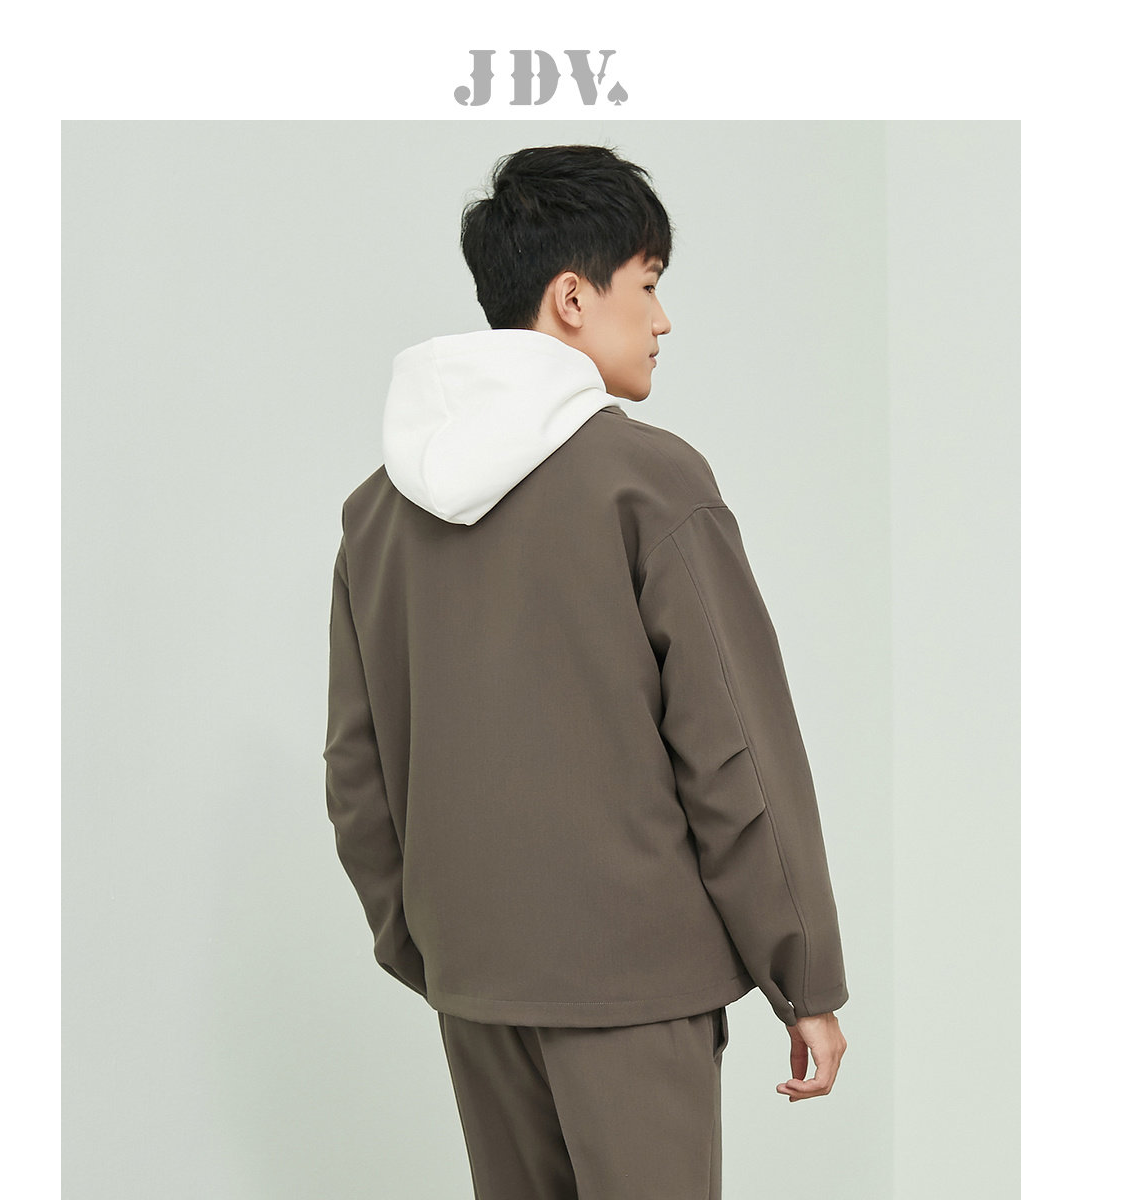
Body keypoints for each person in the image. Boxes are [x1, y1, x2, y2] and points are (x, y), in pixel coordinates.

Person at [324, 143, 849, 1199]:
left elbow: (357, 775)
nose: (664, 320)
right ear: (572, 297)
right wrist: (804, 977)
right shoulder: (648, 481)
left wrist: (439, 950)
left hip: (477, 985)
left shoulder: (377, 512)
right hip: (635, 988)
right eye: (647, 286)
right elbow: (735, 752)